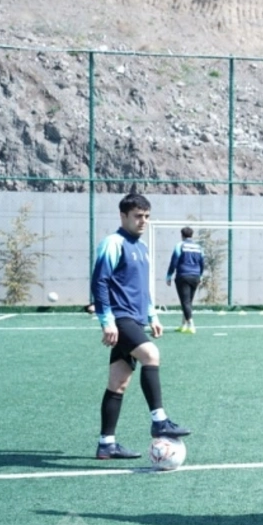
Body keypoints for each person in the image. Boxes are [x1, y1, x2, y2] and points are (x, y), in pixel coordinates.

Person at [91, 193, 191, 459]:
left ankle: (106, 444)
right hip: (120, 317)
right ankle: (159, 420)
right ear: (123, 216)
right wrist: (106, 321)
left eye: (146, 216)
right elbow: (99, 282)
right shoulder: (113, 243)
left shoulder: (142, 247)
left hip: (135, 318)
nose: (143, 221)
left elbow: (142, 288)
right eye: (137, 216)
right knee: (151, 355)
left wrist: (152, 316)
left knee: (118, 383)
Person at [166, 226, 204, 334]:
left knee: (185, 301)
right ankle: (183, 325)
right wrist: (200, 275)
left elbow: (174, 261)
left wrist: (169, 275)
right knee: (188, 301)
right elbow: (202, 262)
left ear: (182, 235)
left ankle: (191, 325)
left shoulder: (180, 245)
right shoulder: (198, 247)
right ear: (191, 235)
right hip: (195, 276)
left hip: (183, 275)